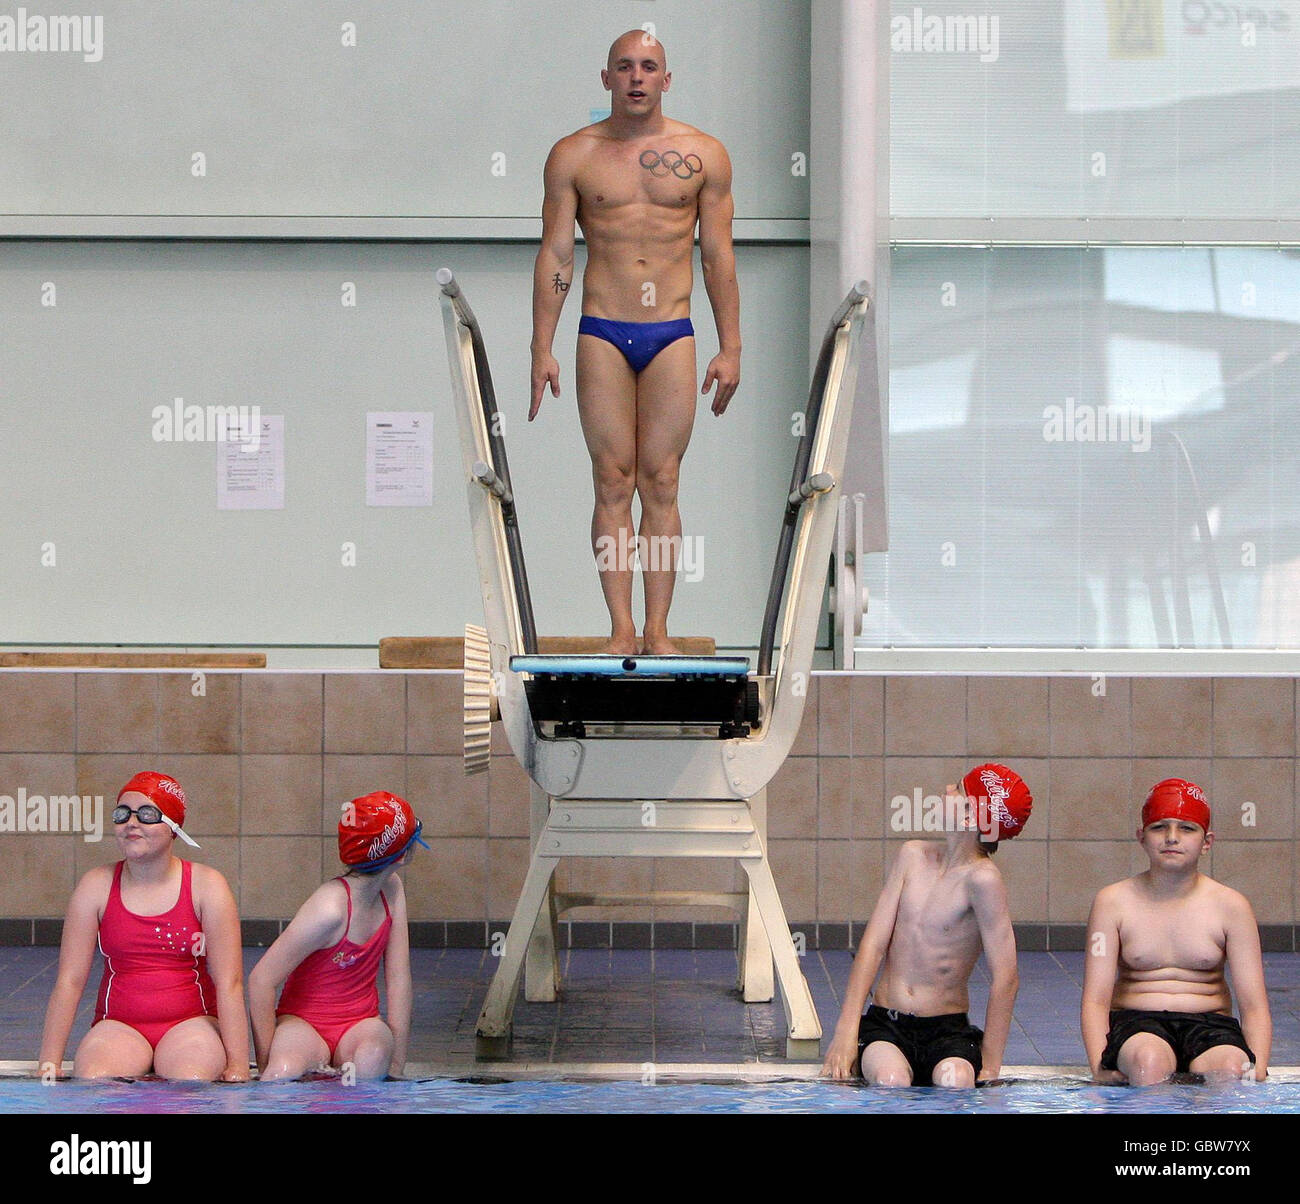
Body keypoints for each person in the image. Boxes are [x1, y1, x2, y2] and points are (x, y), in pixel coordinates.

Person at [529, 28, 741, 655]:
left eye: (650, 67)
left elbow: (719, 257)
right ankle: (621, 628)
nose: (637, 77)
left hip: (672, 332)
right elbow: (557, 252)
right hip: (601, 329)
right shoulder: (573, 155)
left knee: (664, 479)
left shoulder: (705, 155)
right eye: (625, 67)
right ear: (607, 79)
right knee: (612, 479)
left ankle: (658, 631)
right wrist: (542, 344)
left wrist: (732, 346)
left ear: (667, 80)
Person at [822, 764, 1033, 1086]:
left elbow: (1006, 977)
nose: (948, 788)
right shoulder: (912, 856)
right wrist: (846, 1031)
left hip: (947, 1031)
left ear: (969, 817)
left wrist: (990, 1066)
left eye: (958, 789)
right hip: (887, 1025)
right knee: (889, 1079)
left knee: (956, 1081)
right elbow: (873, 946)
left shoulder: (983, 881)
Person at [38, 771, 248, 1081]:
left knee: (190, 1080)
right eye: (122, 814)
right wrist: (49, 1062)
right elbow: (70, 979)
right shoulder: (95, 886)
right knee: (96, 1079)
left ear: (174, 827)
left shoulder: (207, 886)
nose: (131, 823)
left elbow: (229, 982)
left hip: (191, 1025)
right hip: (120, 1025)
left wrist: (239, 1065)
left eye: (147, 814)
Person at [1082, 778, 1270, 1085]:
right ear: (1141, 837)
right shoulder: (1112, 903)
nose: (1172, 837)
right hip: (1137, 1023)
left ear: (1207, 841)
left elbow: (1254, 1003)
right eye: (1159, 827)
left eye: (1186, 828)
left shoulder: (1232, 907)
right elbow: (1095, 999)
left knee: (1234, 1072)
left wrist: (1258, 1065)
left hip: (1211, 1025)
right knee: (1148, 1064)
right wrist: (1098, 1065)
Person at [248, 791, 423, 1081]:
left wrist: (396, 1071)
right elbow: (261, 981)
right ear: (402, 853)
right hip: (303, 1025)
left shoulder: (392, 889)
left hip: (360, 1025)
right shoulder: (329, 909)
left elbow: (399, 980)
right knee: (282, 1074)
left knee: (372, 1060)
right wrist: (266, 1066)